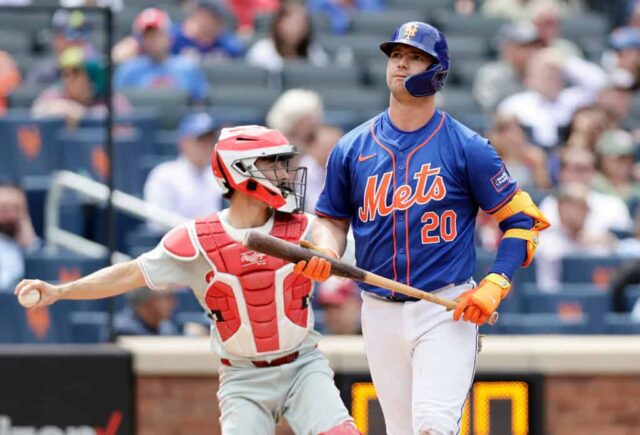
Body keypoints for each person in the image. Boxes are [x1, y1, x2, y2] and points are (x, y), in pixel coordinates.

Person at [14, 125, 360, 435]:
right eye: (272, 164)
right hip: (243, 378)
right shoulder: (196, 239)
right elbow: (131, 273)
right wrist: (61, 290)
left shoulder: (306, 229)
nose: (284, 173)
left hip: (303, 365)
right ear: (241, 172)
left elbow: (361, 252)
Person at [294, 21, 550, 434]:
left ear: (437, 73)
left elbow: (523, 221)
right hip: (377, 309)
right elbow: (331, 220)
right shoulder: (351, 148)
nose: (401, 65)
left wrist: (495, 283)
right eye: (396, 56)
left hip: (444, 307)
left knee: (433, 427)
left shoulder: (468, 147)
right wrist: (324, 250)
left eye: (414, 58)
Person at [143, 112, 224, 229]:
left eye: (210, 140)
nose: (207, 146)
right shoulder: (165, 174)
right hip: (176, 243)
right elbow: (156, 224)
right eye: (201, 140)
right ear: (184, 143)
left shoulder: (218, 175)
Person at [113, 8, 209, 104]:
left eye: (157, 34)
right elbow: (119, 105)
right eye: (148, 36)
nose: (153, 40)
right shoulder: (128, 70)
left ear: (169, 37)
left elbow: (200, 103)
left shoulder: (187, 67)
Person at [32, 47, 131, 127]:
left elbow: (124, 131)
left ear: (93, 77)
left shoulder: (113, 101)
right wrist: (55, 109)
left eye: (75, 72)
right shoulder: (53, 96)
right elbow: (33, 116)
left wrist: (81, 114)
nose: (68, 78)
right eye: (65, 73)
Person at [246, 2, 329, 73]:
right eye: (290, 24)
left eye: (300, 24)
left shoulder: (313, 51)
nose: (295, 29)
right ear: (278, 24)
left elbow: (322, 73)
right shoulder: (261, 51)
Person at [0, 183, 40, 290]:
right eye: (4, 208)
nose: (10, 215)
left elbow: (32, 247)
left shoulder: (23, 242)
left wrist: (22, 217)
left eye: (15, 208)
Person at [114, 287, 179, 336]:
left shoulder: (167, 328)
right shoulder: (124, 330)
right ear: (146, 302)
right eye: (167, 298)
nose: (174, 302)